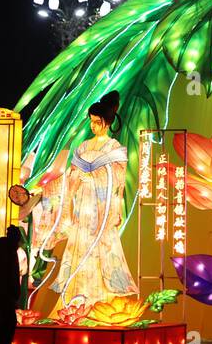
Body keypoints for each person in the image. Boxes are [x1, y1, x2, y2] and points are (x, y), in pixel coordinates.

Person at [24, 91, 137, 308]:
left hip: (100, 208)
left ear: (107, 122)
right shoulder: (83, 147)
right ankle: (75, 300)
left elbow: (117, 180)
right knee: (80, 245)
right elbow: (70, 176)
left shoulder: (114, 148)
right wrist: (47, 188)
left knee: (100, 249)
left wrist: (94, 177)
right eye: (91, 122)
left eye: (96, 122)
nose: (93, 126)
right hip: (82, 207)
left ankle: (100, 302)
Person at [0, 225, 23, 344]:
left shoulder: (6, 250)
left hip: (5, 293)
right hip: (6, 294)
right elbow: (8, 275)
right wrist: (14, 290)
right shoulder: (8, 251)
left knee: (7, 322)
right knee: (7, 323)